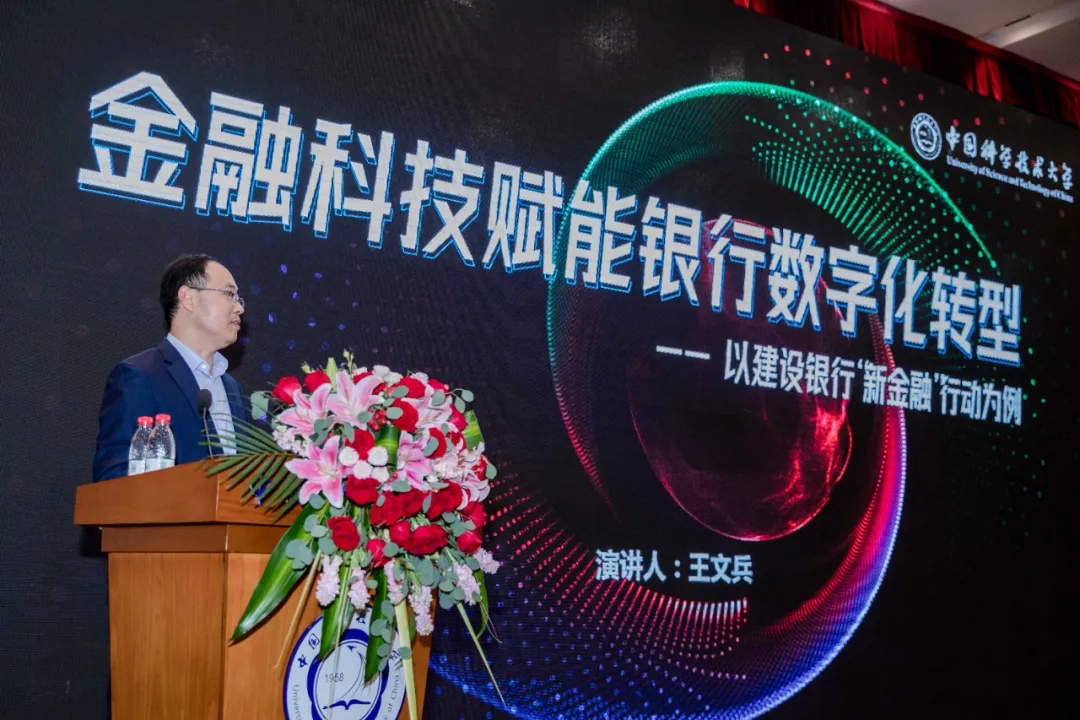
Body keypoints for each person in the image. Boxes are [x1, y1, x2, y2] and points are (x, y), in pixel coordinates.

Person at [92, 254, 248, 481]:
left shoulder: (232, 388)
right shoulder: (139, 376)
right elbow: (113, 478)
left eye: (238, 298)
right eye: (229, 294)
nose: (239, 308)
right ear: (188, 298)